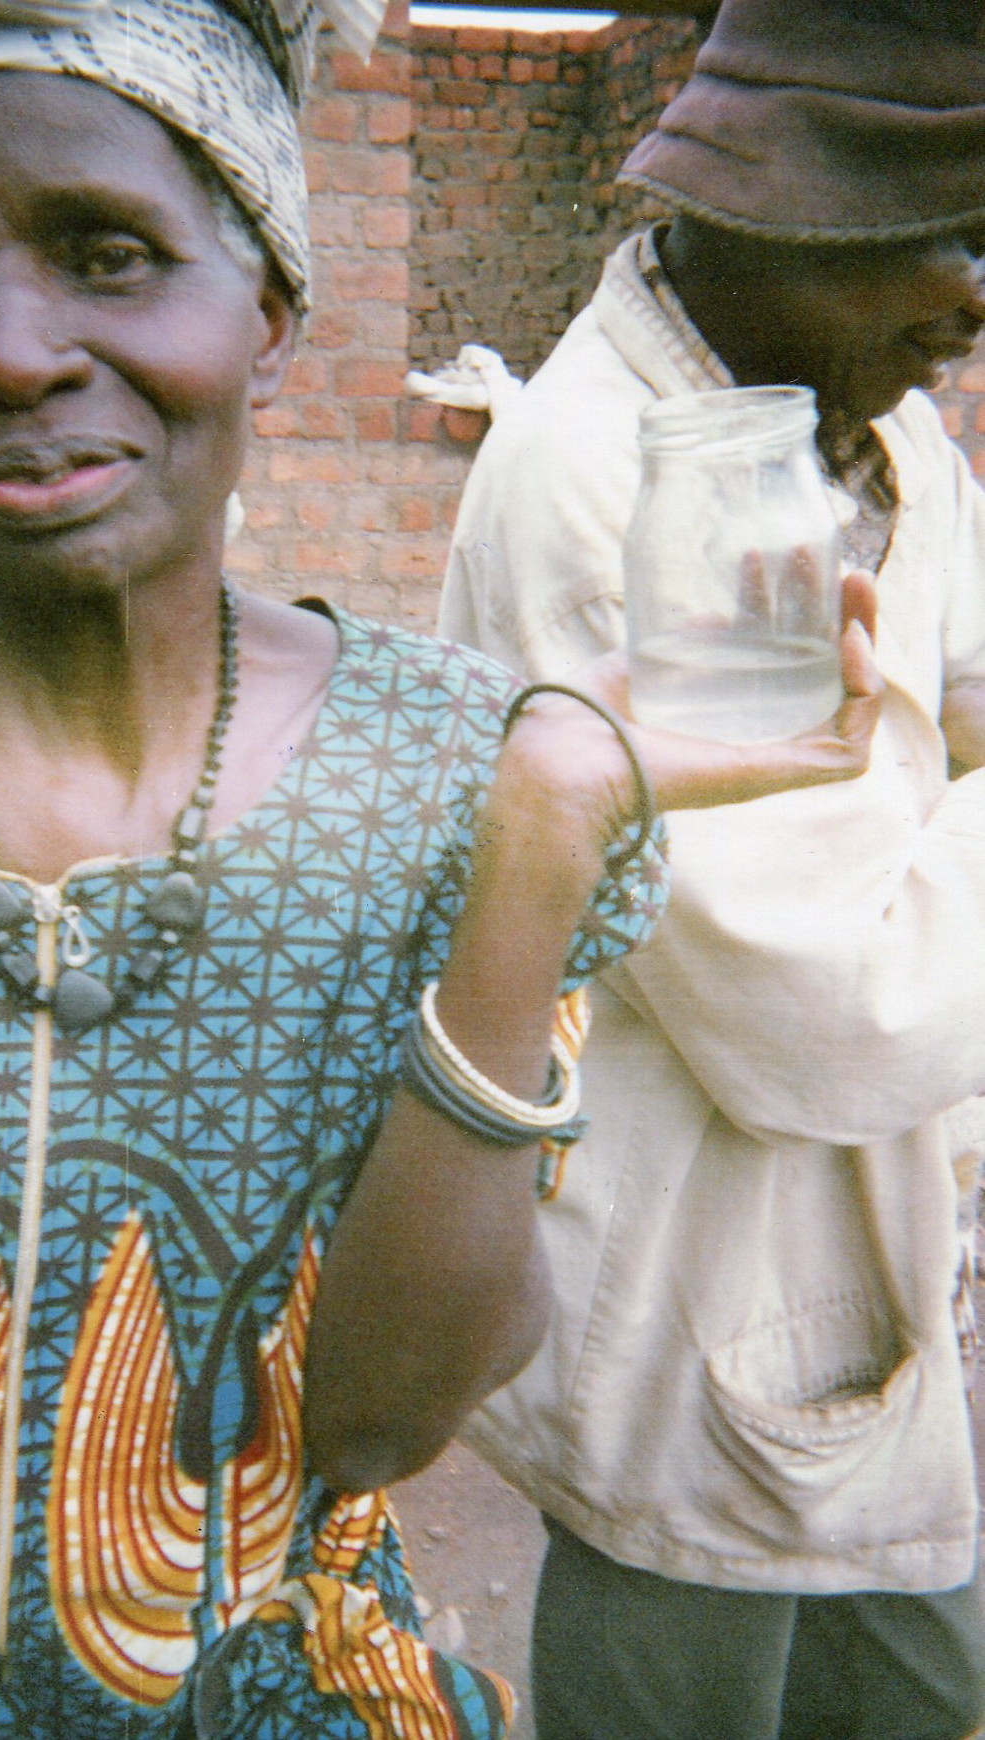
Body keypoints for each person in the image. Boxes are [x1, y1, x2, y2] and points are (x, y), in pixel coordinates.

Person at [0, 1, 884, 1736]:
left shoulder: (447, 766)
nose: (10, 353)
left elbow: (380, 1424)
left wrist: (538, 831)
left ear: (270, 313)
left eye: (107, 255)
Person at [439, 2, 985, 1737]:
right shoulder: (610, 483)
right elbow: (839, 1014)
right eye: (938, 237)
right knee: (690, 1654)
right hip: (691, 1300)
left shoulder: (882, 436)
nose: (970, 302)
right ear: (771, 221)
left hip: (865, 1267)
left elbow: (939, 713)